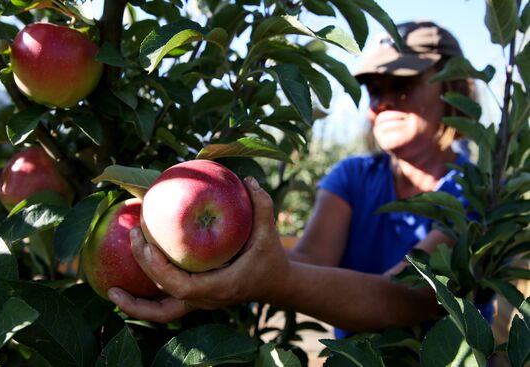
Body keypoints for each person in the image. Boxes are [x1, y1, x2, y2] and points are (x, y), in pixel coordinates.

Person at [107, 21, 486, 335]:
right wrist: (217, 266)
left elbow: (408, 297)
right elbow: (309, 259)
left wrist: (269, 280)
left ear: (453, 89)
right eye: (374, 89)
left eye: (403, 85)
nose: (381, 102)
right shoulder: (352, 177)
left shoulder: (476, 192)